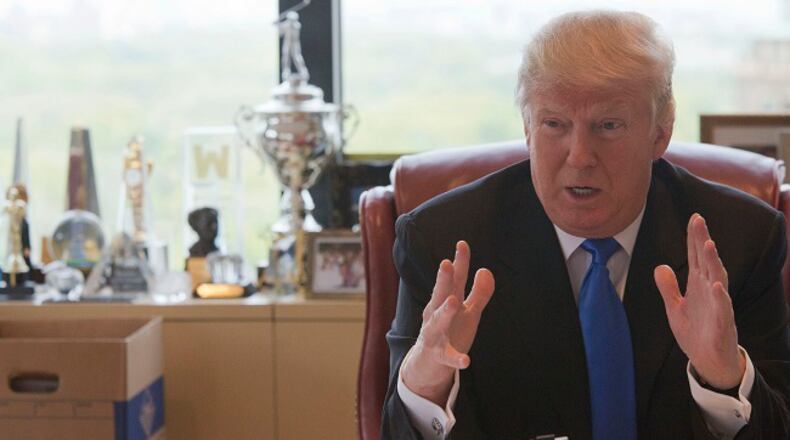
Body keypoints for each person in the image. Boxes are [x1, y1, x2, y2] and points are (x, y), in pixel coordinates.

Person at [382, 10, 790, 440]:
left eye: (608, 126)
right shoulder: (443, 239)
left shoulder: (741, 239)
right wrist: (427, 385)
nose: (579, 155)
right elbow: (391, 430)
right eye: (554, 124)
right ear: (526, 127)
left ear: (660, 132)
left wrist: (725, 378)